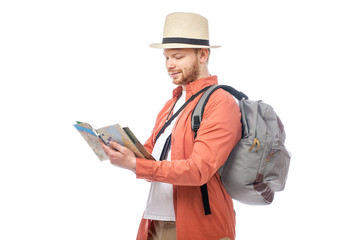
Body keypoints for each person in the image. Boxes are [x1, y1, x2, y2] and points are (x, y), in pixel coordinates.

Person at [100, 12, 242, 240]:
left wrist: (136, 165)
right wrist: (125, 154)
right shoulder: (173, 103)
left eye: (178, 57)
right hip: (156, 224)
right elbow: (152, 162)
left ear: (203, 54)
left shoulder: (220, 102)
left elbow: (198, 171)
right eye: (166, 58)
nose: (170, 65)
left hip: (201, 228)